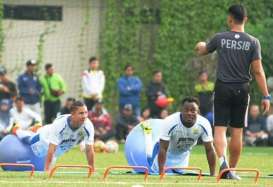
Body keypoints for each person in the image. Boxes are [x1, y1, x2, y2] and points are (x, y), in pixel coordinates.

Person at [195, 4, 271, 179]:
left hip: (222, 88)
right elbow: (258, 71)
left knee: (220, 129)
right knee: (237, 131)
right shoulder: (253, 42)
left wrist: (199, 45)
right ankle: (232, 170)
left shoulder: (220, 38)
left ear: (229, 18)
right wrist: (266, 95)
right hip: (242, 89)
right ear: (245, 19)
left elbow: (202, 50)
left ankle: (223, 164)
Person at [10, 101, 95, 171]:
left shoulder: (88, 125)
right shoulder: (60, 124)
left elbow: (89, 150)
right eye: (81, 113)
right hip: (44, 138)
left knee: (51, 160)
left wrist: (92, 169)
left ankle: (36, 128)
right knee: (29, 141)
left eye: (86, 113)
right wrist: (47, 170)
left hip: (58, 148)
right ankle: (17, 130)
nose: (84, 116)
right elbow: (52, 148)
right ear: (72, 114)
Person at [154, 97, 216, 176]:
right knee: (154, 172)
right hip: (163, 154)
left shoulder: (204, 123)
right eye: (186, 110)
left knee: (179, 174)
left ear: (198, 112)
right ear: (181, 111)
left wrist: (213, 174)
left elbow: (210, 149)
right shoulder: (170, 121)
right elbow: (162, 148)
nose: (189, 113)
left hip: (183, 156)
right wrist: (161, 173)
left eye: (193, 110)